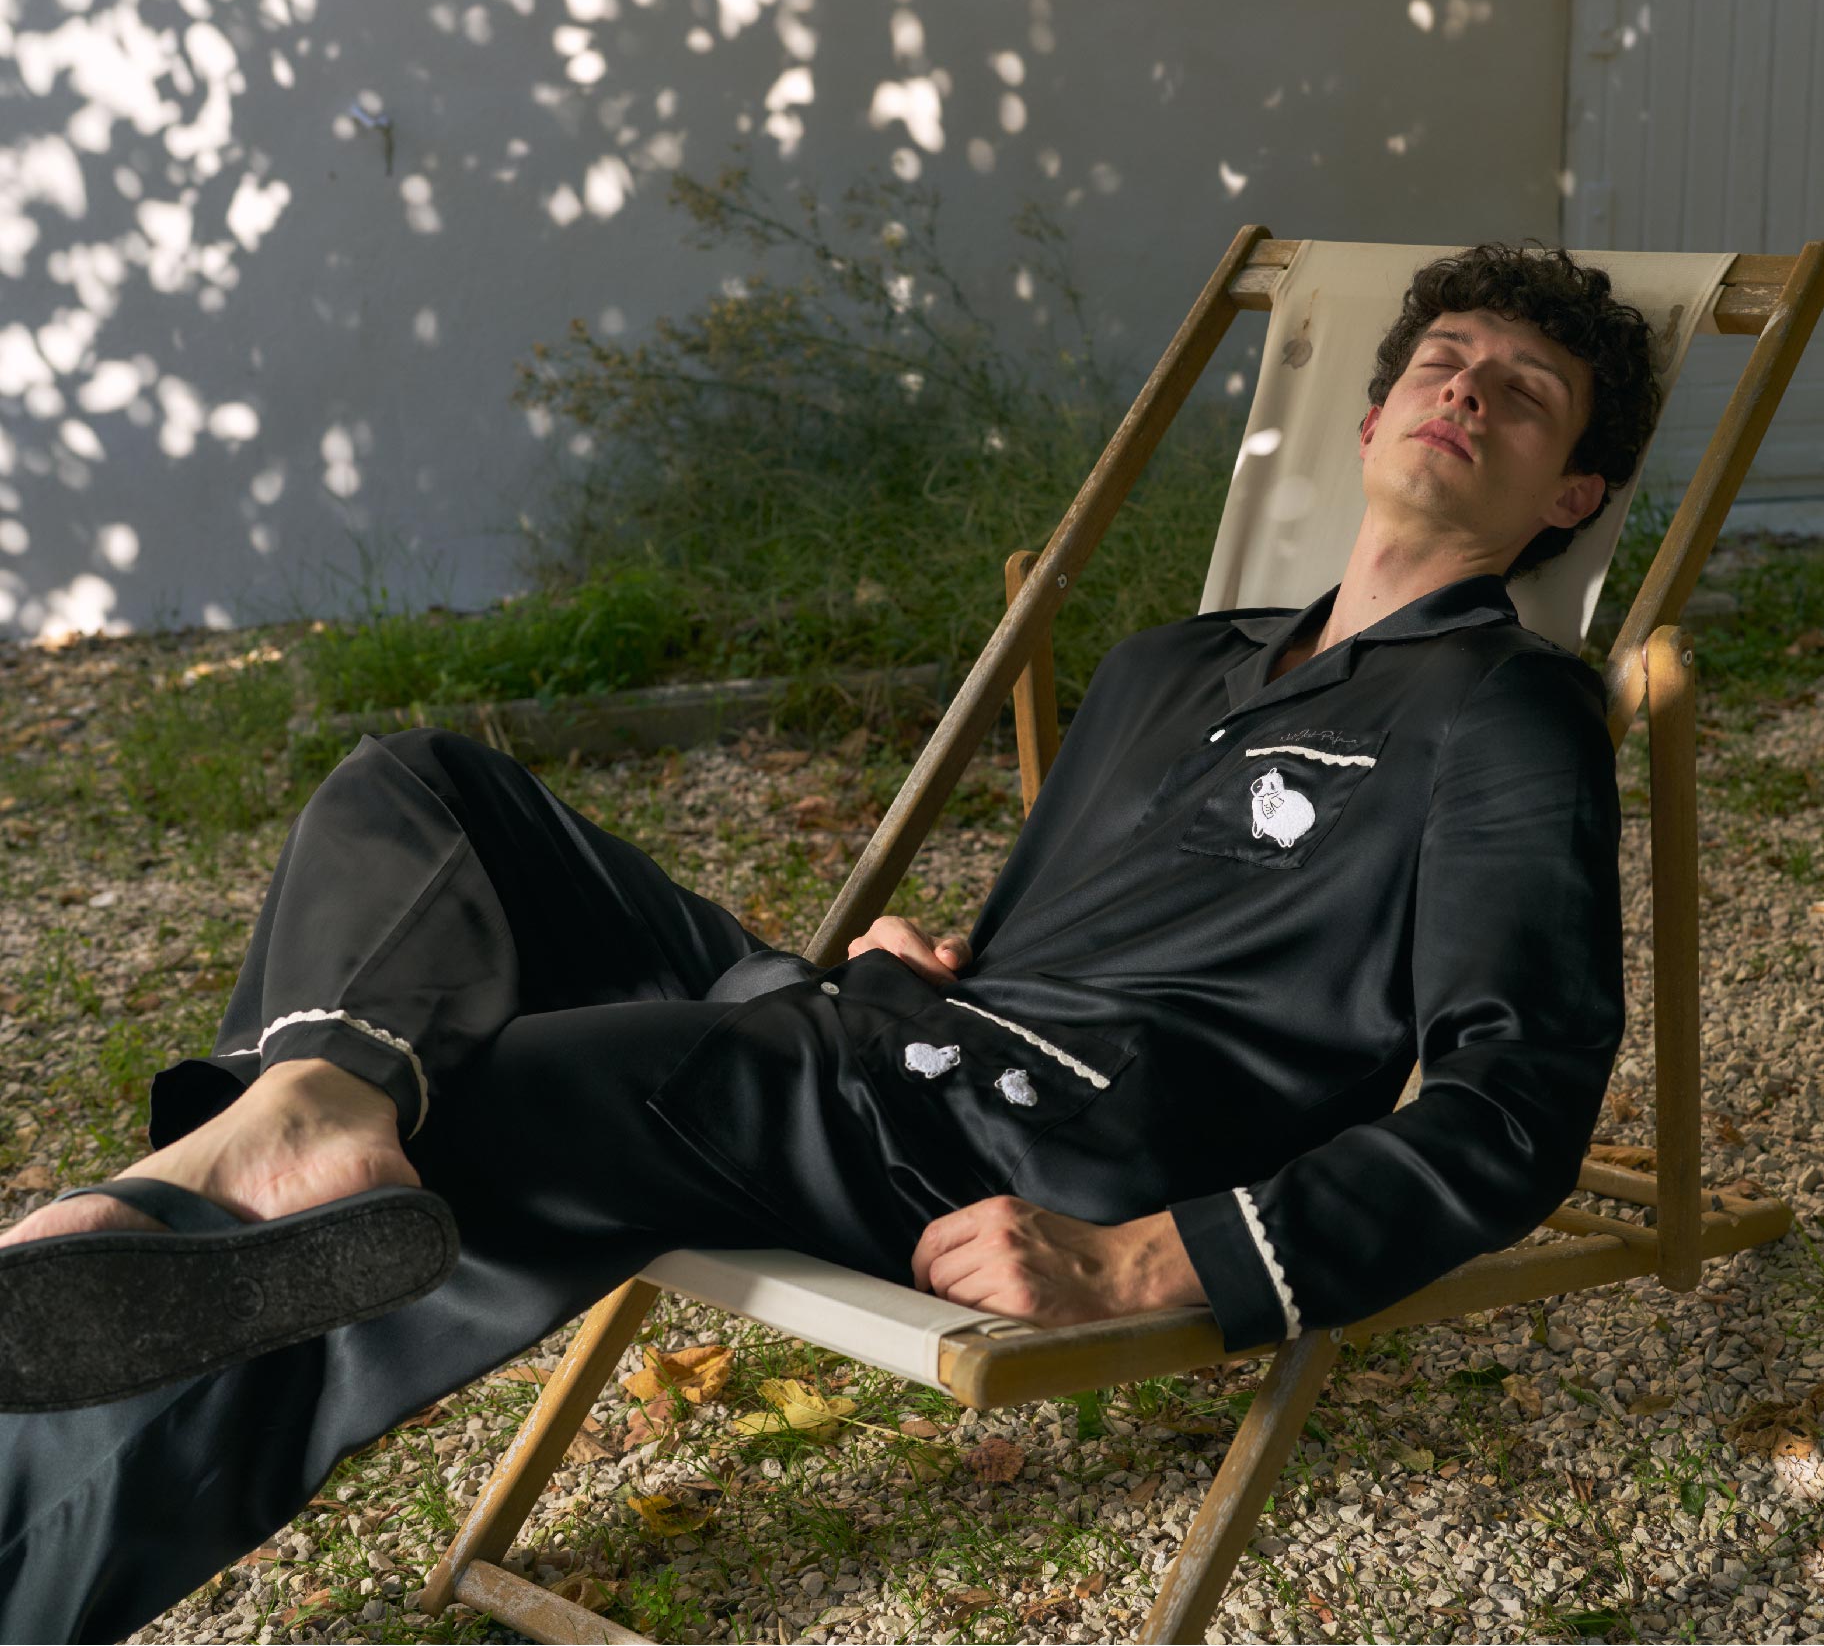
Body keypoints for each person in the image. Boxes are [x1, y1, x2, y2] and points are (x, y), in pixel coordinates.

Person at [0, 240, 1656, 1641]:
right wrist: (919, 963)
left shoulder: (1508, 709)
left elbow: (1520, 1102)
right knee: (421, 788)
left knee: (496, 1114)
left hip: (1040, 1143)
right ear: (1370, 415)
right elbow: (1048, 938)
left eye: (1524, 393)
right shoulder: (1172, 663)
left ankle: (47, 1508)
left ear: (1569, 493)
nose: (1468, 391)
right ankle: (312, 1102)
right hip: (897, 1056)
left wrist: (1157, 1260)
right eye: (1446, 359)